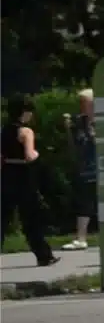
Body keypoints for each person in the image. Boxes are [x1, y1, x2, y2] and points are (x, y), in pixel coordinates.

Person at [1, 95, 59, 267]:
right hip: (24, 176)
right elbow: (29, 155)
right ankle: (43, 255)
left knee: (3, 217)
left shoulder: (3, 131)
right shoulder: (25, 132)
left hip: (6, 175)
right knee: (31, 218)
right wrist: (40, 154)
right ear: (24, 113)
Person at [61, 88, 98, 250]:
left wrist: (93, 134)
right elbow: (73, 147)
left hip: (102, 168)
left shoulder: (102, 120)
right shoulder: (79, 122)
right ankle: (81, 238)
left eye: (84, 102)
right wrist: (68, 129)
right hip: (85, 168)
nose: (81, 106)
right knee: (84, 203)